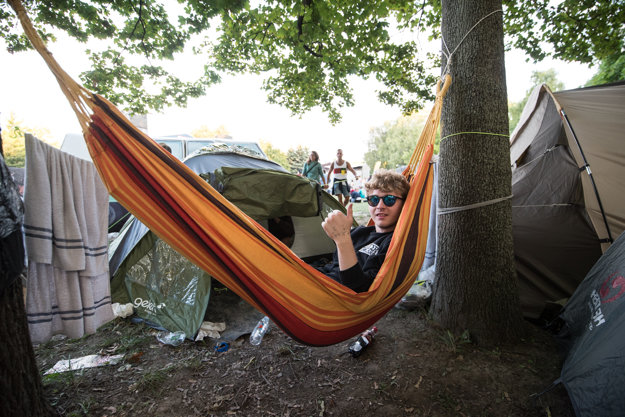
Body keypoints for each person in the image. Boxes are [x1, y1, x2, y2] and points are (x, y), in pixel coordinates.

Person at [316, 169, 410, 293]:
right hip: (316, 280)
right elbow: (334, 266)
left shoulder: (393, 244)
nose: (380, 206)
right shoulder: (359, 233)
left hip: (332, 294)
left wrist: (342, 238)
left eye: (389, 199)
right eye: (374, 200)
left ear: (404, 204)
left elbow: (360, 289)